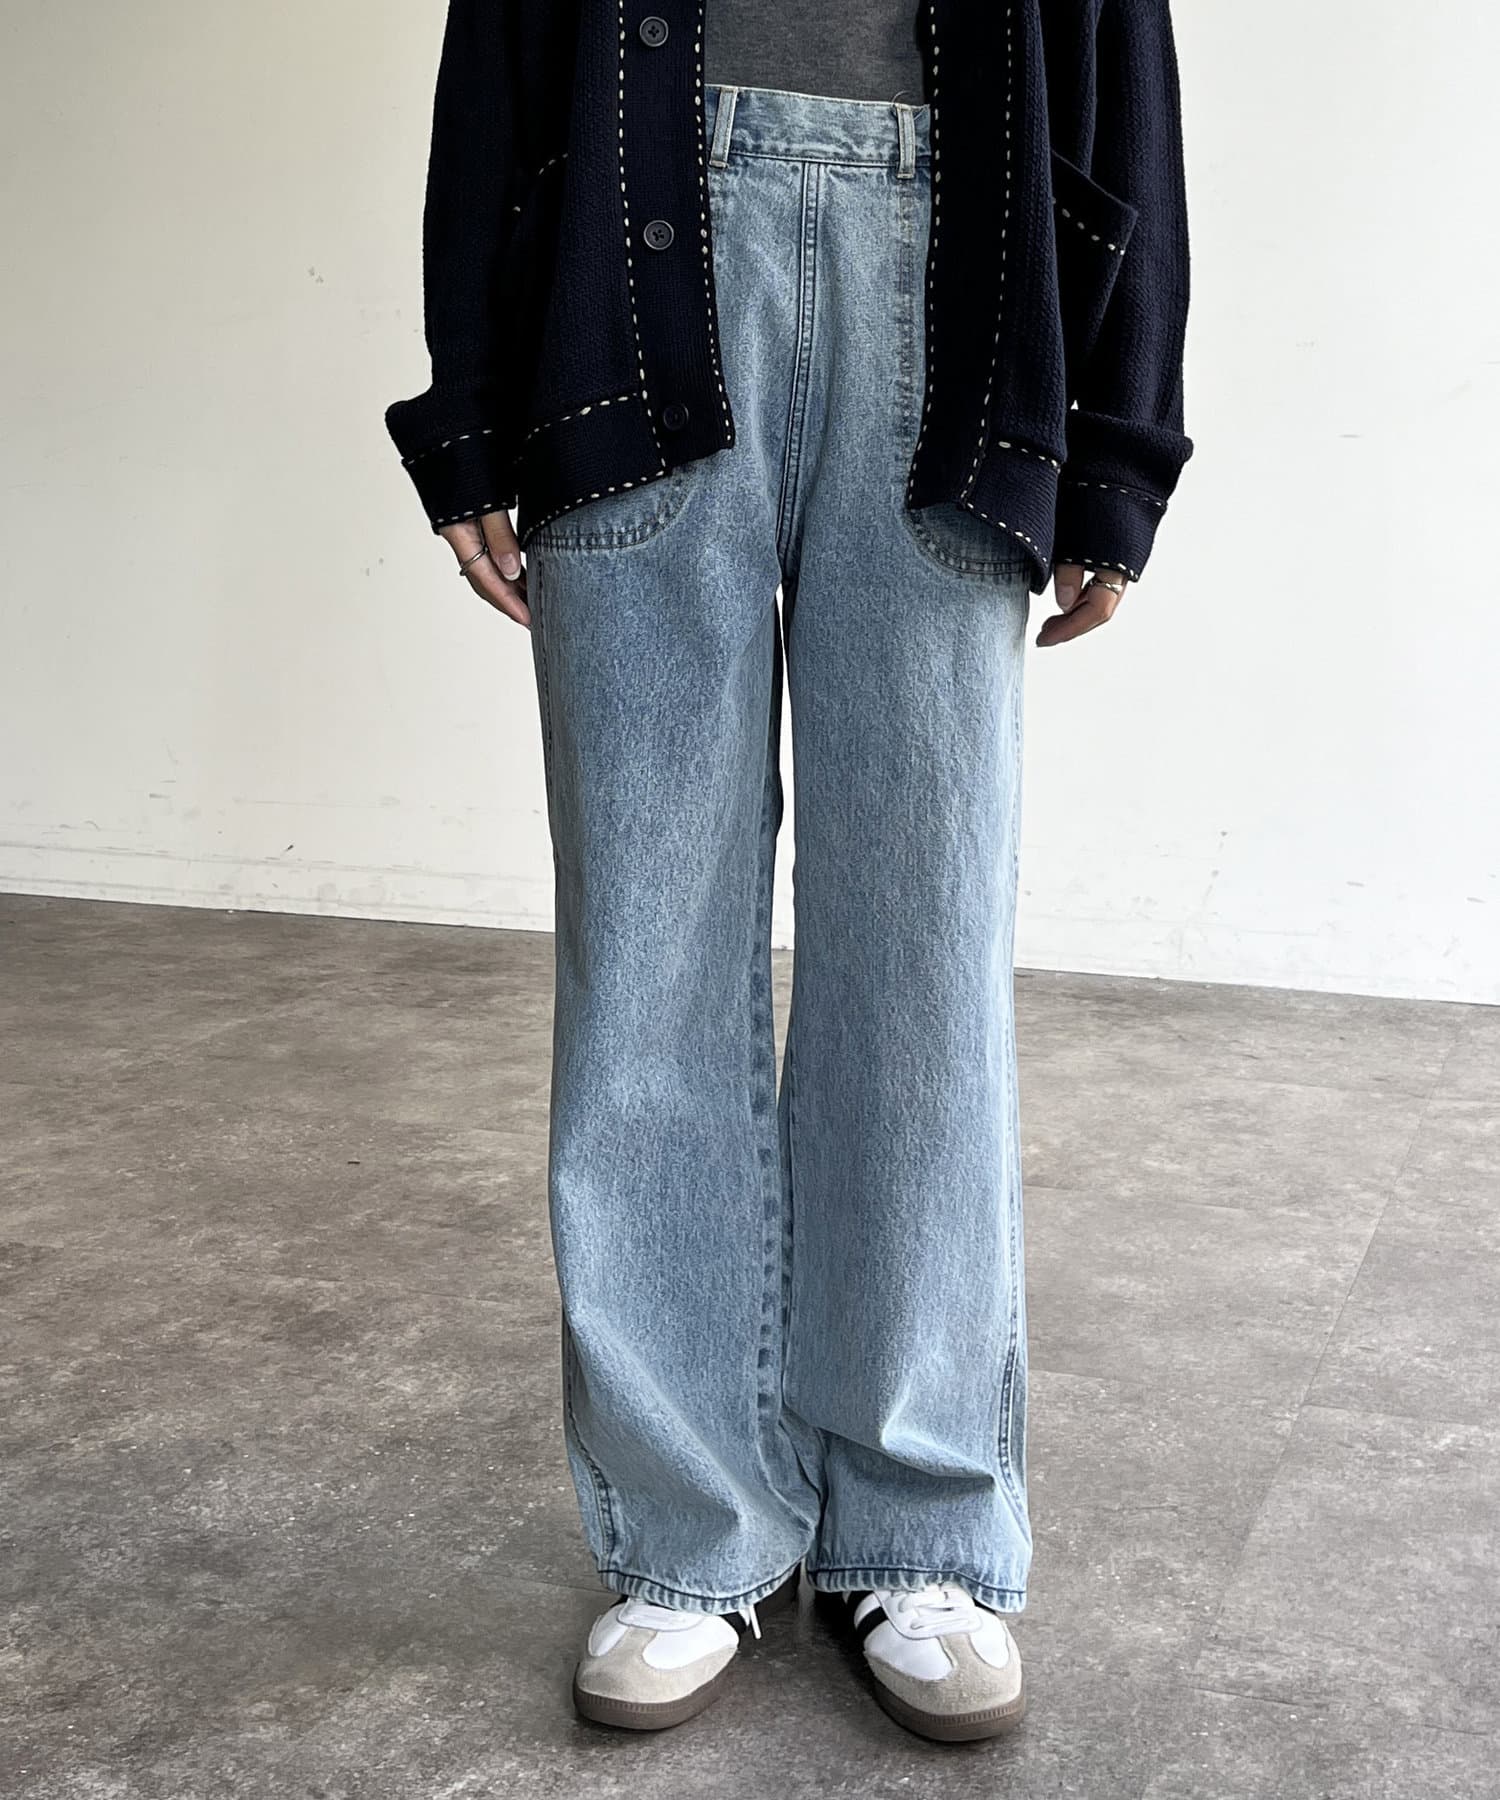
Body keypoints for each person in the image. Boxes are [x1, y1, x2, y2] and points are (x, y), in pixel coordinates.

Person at [386, 0, 1191, 1745]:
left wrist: (1120, 442)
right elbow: (499, 51)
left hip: (960, 300)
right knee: (646, 947)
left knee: (924, 954)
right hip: (625, 292)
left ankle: (922, 1527)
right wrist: (471, 406)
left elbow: (1120, 58)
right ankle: (689, 1534)